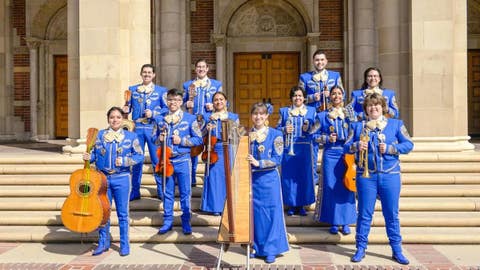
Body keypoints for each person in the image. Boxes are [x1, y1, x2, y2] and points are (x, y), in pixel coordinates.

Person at [344, 93, 413, 265]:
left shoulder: (396, 124)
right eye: (369, 106)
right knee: (364, 214)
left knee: (392, 214)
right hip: (366, 177)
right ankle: (360, 248)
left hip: (390, 175)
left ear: (382, 107)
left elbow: (409, 144)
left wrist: (391, 148)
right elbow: (346, 146)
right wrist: (356, 145)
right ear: (365, 109)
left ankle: (397, 249)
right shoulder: (358, 126)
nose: (373, 108)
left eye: (376, 105)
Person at [83, 107, 144, 256]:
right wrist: (88, 157)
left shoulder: (131, 136)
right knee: (103, 212)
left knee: (123, 213)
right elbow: (95, 156)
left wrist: (125, 160)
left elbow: (139, 156)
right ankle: (103, 242)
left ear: (122, 119)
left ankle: (124, 244)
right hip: (103, 179)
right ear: (108, 119)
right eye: (112, 117)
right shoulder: (100, 135)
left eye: (117, 117)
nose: (115, 120)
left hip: (122, 178)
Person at [154, 88, 202, 235]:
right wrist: (159, 139)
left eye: (176, 100)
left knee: (185, 192)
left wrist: (182, 140)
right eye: (170, 99)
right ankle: (167, 220)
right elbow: (153, 138)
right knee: (167, 192)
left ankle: (186, 221)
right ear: (166, 101)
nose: (173, 102)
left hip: (183, 160)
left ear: (181, 102)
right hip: (166, 160)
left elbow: (198, 139)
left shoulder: (190, 119)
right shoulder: (159, 118)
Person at [247, 102, 289, 264]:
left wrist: (259, 163)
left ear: (266, 117)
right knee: (256, 214)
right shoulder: (247, 135)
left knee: (271, 213)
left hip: (269, 180)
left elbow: (278, 159)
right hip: (253, 180)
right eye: (255, 114)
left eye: (261, 114)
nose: (258, 117)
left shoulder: (276, 134)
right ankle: (257, 246)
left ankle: (271, 249)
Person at [312, 86, 356, 234]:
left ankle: (346, 222)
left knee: (347, 186)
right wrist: (326, 138)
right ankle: (334, 221)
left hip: (347, 153)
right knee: (331, 187)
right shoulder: (322, 116)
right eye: (333, 94)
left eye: (339, 93)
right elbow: (313, 135)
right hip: (330, 153)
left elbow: (356, 131)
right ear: (329, 96)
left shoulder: (350, 114)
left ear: (343, 96)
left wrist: (349, 144)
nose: (336, 96)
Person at [123, 64, 168, 201]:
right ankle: (135, 191)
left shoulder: (161, 91)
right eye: (144, 72)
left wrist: (153, 113)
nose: (147, 74)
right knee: (136, 160)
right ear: (141, 74)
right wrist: (125, 109)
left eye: (149, 72)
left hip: (153, 129)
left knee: (156, 160)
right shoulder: (133, 90)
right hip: (137, 129)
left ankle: (161, 191)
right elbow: (128, 108)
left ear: (154, 75)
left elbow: (167, 109)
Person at [298, 50, 344, 185]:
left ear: (326, 61)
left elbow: (343, 94)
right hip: (313, 115)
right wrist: (312, 97)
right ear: (313, 62)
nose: (320, 62)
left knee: (335, 143)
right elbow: (300, 97)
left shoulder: (335, 76)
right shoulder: (305, 77)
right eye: (317, 60)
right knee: (313, 145)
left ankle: (335, 177)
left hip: (330, 115)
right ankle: (313, 178)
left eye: (322, 60)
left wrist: (332, 95)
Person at [276, 86, 316, 216]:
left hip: (305, 148)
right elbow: (276, 129)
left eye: (300, 96)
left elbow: (317, 129)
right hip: (289, 148)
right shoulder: (284, 111)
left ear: (304, 98)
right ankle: (292, 204)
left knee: (303, 177)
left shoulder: (311, 111)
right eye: (295, 96)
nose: (297, 98)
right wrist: (284, 130)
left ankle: (302, 204)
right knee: (289, 177)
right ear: (291, 98)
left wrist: (309, 128)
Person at [183, 59, 223, 187]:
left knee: (210, 147)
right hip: (193, 121)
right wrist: (186, 104)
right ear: (195, 69)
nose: (201, 69)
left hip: (209, 120)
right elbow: (180, 101)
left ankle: (209, 178)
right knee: (193, 149)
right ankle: (192, 178)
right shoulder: (188, 85)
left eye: (203, 67)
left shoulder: (216, 85)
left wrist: (214, 105)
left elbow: (224, 102)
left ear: (207, 69)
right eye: (198, 67)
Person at [199, 92, 239, 216]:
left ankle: (229, 207)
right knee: (214, 178)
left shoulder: (233, 116)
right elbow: (200, 134)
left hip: (229, 148)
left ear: (226, 101)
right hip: (214, 149)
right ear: (213, 103)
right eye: (216, 100)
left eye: (221, 99)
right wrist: (207, 128)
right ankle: (215, 207)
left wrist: (228, 123)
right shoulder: (207, 117)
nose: (219, 102)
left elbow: (239, 133)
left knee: (228, 177)